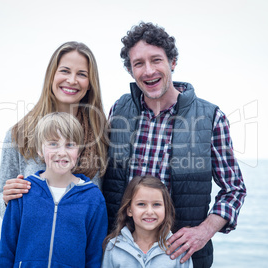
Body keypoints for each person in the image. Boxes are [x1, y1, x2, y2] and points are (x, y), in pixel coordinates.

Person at [102, 22, 247, 267]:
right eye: (139, 63)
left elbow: (234, 190)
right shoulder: (119, 110)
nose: (148, 71)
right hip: (119, 255)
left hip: (179, 258)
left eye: (156, 60)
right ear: (131, 70)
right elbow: (94, 173)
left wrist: (203, 231)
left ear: (173, 62)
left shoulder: (211, 118)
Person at [0, 41, 108, 219]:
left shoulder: (102, 135)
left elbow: (108, 204)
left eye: (82, 74)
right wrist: (8, 201)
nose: (72, 80)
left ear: (90, 83)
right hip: (32, 244)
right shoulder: (20, 134)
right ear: (51, 75)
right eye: (65, 71)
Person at [0, 112, 108, 267]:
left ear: (79, 152)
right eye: (53, 144)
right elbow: (6, 251)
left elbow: (94, 257)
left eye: (70, 145)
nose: (62, 152)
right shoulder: (23, 192)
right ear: (40, 150)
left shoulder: (93, 198)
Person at [102, 175, 193, 268]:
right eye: (141, 204)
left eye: (156, 204)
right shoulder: (114, 247)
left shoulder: (178, 249)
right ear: (129, 210)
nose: (149, 212)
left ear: (166, 209)